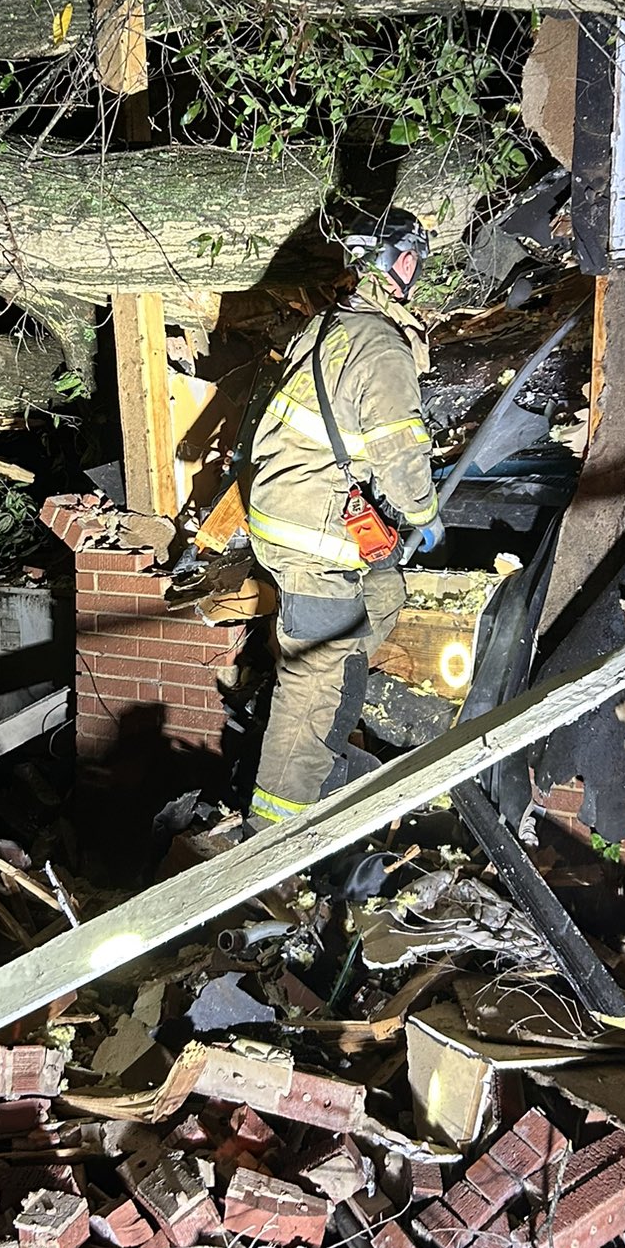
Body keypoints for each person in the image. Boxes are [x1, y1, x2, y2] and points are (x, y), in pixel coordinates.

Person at [246, 211, 442, 831]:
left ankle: (336, 690)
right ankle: (272, 831)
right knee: (313, 683)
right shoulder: (381, 347)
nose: (415, 269)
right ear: (400, 262)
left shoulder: (330, 324)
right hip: (311, 535)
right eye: (414, 259)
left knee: (384, 590)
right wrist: (424, 514)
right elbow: (401, 456)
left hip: (288, 511)